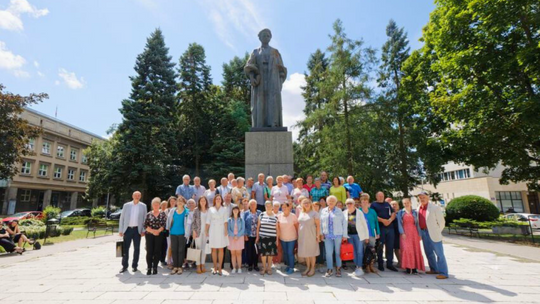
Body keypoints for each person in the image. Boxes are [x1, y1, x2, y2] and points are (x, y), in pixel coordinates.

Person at [417, 191, 448, 279]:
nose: (422, 199)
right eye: (420, 198)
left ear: (428, 197)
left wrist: (437, 231)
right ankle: (434, 269)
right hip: (423, 232)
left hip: (433, 233)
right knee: (429, 252)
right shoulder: (419, 207)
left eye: (424, 197)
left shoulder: (435, 208)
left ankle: (444, 273)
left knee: (439, 253)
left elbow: (442, 222)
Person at [119, 191, 147, 273]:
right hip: (127, 229)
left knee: (137, 248)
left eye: (139, 195)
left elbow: (145, 219)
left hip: (137, 230)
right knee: (125, 248)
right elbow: (122, 218)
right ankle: (124, 266)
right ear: (132, 196)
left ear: (140, 197)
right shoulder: (126, 205)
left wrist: (143, 230)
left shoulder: (143, 206)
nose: (137, 197)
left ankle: (135, 266)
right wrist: (121, 230)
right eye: (135, 195)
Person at [320, 195, 348, 277]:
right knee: (328, 253)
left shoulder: (339, 211)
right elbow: (321, 223)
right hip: (327, 235)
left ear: (335, 202)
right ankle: (329, 269)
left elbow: (344, 224)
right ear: (327, 202)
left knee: (338, 252)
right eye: (329, 200)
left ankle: (338, 268)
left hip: (338, 234)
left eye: (333, 200)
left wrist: (345, 235)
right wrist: (321, 234)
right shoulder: (323, 211)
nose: (331, 202)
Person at [371, 191, 398, 272]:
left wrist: (389, 220)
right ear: (376, 197)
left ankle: (390, 264)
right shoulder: (373, 204)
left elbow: (393, 213)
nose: (381, 197)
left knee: (390, 247)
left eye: (382, 196)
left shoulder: (387, 204)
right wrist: (383, 221)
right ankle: (380, 264)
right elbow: (374, 215)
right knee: (380, 246)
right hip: (380, 228)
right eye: (379, 196)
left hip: (390, 228)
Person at [398, 198, 425, 275]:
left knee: (415, 249)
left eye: (407, 202)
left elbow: (417, 224)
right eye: (404, 203)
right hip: (405, 232)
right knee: (406, 249)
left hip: (414, 232)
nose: (406, 204)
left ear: (410, 203)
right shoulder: (401, 212)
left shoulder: (415, 212)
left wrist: (419, 234)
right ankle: (407, 267)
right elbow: (399, 223)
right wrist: (402, 232)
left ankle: (414, 268)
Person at [345, 198, 369, 276]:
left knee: (359, 251)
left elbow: (365, 225)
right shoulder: (344, 213)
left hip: (358, 235)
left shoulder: (359, 212)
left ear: (354, 204)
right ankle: (357, 266)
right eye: (347, 203)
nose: (349, 205)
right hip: (349, 235)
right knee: (353, 251)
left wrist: (366, 236)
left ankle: (360, 267)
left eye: (350, 203)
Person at [205, 195, 229, 275]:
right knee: (214, 249)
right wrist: (206, 230)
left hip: (221, 230)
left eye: (219, 199)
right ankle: (215, 267)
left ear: (221, 200)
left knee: (221, 249)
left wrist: (226, 230)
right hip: (213, 230)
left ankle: (220, 268)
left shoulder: (224, 209)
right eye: (217, 199)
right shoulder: (210, 209)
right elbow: (208, 220)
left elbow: (226, 221)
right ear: (214, 200)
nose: (218, 200)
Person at [144, 197, 167, 275]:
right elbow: (145, 225)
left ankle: (155, 268)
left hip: (159, 234)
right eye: (154, 204)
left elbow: (164, 224)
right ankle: (149, 267)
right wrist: (152, 231)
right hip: (149, 235)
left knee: (157, 251)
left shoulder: (162, 214)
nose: (156, 206)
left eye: (157, 204)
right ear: (152, 205)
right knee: (149, 251)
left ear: (159, 205)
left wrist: (158, 231)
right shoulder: (148, 214)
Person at [167, 197, 190, 275]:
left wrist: (188, 233)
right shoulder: (172, 211)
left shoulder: (187, 212)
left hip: (182, 234)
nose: (180, 202)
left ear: (184, 203)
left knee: (181, 250)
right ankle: (175, 267)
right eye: (178, 201)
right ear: (176, 202)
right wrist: (168, 229)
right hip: (173, 233)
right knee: (174, 250)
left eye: (181, 201)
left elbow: (189, 224)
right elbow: (169, 220)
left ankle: (180, 267)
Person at [297, 198, 320, 277]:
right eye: (304, 203)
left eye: (307, 203)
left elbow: (318, 225)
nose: (306, 204)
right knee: (306, 252)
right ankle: (307, 267)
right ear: (302, 204)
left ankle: (312, 268)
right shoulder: (301, 213)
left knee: (312, 252)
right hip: (302, 235)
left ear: (310, 204)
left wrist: (317, 235)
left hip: (311, 234)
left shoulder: (314, 213)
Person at [256, 201, 279, 275]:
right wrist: (257, 237)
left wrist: (277, 239)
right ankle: (264, 267)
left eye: (270, 206)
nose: (268, 207)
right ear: (265, 207)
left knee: (270, 254)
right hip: (263, 237)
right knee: (263, 254)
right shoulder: (261, 215)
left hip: (272, 238)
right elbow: (258, 227)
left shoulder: (275, 216)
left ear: (272, 207)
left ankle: (269, 268)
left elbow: (277, 229)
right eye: (267, 206)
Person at [359, 193, 380, 273]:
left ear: (368, 202)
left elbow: (376, 222)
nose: (364, 202)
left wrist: (378, 232)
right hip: (362, 235)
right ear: (361, 203)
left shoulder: (372, 211)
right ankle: (365, 265)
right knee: (363, 250)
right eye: (363, 201)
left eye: (366, 201)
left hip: (371, 234)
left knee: (371, 251)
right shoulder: (359, 211)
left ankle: (371, 265)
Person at [277, 202, 299, 274]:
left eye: (285, 207)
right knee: (285, 253)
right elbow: (278, 227)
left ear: (289, 207)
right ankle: (288, 266)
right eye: (282, 207)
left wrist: (298, 237)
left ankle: (292, 267)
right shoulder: (279, 216)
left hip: (292, 238)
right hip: (283, 238)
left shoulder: (293, 216)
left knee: (290, 253)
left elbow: (297, 227)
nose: (284, 208)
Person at [191, 196, 209, 274]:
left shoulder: (209, 210)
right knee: (198, 249)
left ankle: (203, 264)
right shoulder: (196, 210)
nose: (203, 202)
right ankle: (198, 265)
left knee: (204, 249)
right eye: (201, 201)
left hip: (206, 232)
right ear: (199, 202)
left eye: (204, 201)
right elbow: (193, 222)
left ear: (206, 202)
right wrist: (194, 231)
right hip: (198, 232)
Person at [243, 199, 261, 272]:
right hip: (249, 235)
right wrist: (245, 235)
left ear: (256, 205)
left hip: (257, 235)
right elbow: (243, 224)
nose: (253, 206)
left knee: (256, 251)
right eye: (251, 204)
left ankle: (255, 265)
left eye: (254, 204)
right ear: (249, 206)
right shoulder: (246, 213)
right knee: (249, 251)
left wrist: (259, 235)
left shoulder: (259, 213)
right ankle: (250, 265)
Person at [227, 206, 245, 274]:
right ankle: (234, 268)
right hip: (231, 238)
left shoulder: (241, 219)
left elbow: (243, 229)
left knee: (239, 253)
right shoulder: (229, 220)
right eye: (234, 209)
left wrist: (237, 236)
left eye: (236, 209)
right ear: (232, 211)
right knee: (233, 254)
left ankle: (239, 268)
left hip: (239, 238)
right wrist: (233, 236)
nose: (235, 211)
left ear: (238, 211)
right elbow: (228, 229)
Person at [183, 199, 197, 269]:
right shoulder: (185, 212)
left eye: (192, 203)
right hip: (186, 233)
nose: (191, 204)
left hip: (195, 233)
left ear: (195, 204)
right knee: (186, 247)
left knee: (194, 247)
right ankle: (186, 262)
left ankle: (194, 262)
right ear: (187, 205)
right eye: (189, 203)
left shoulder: (197, 212)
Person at [165, 196, 177, 268]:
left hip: (177, 230)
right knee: (169, 246)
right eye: (171, 201)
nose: (172, 202)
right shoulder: (167, 210)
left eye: (174, 201)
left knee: (175, 246)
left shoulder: (178, 209)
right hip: (170, 230)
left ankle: (174, 261)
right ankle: (169, 261)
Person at [313, 201, 325, 271]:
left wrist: (321, 234)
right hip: (312, 233)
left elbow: (323, 225)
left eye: (317, 206)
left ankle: (320, 262)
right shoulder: (311, 213)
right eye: (314, 206)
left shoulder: (322, 214)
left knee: (320, 247)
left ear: (319, 207)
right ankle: (314, 262)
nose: (315, 207)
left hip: (320, 233)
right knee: (314, 247)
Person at [390, 200, 402, 268]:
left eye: (395, 204)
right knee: (396, 248)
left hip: (401, 233)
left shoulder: (402, 213)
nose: (394, 206)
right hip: (393, 233)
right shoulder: (389, 213)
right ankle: (399, 261)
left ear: (398, 206)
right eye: (392, 204)